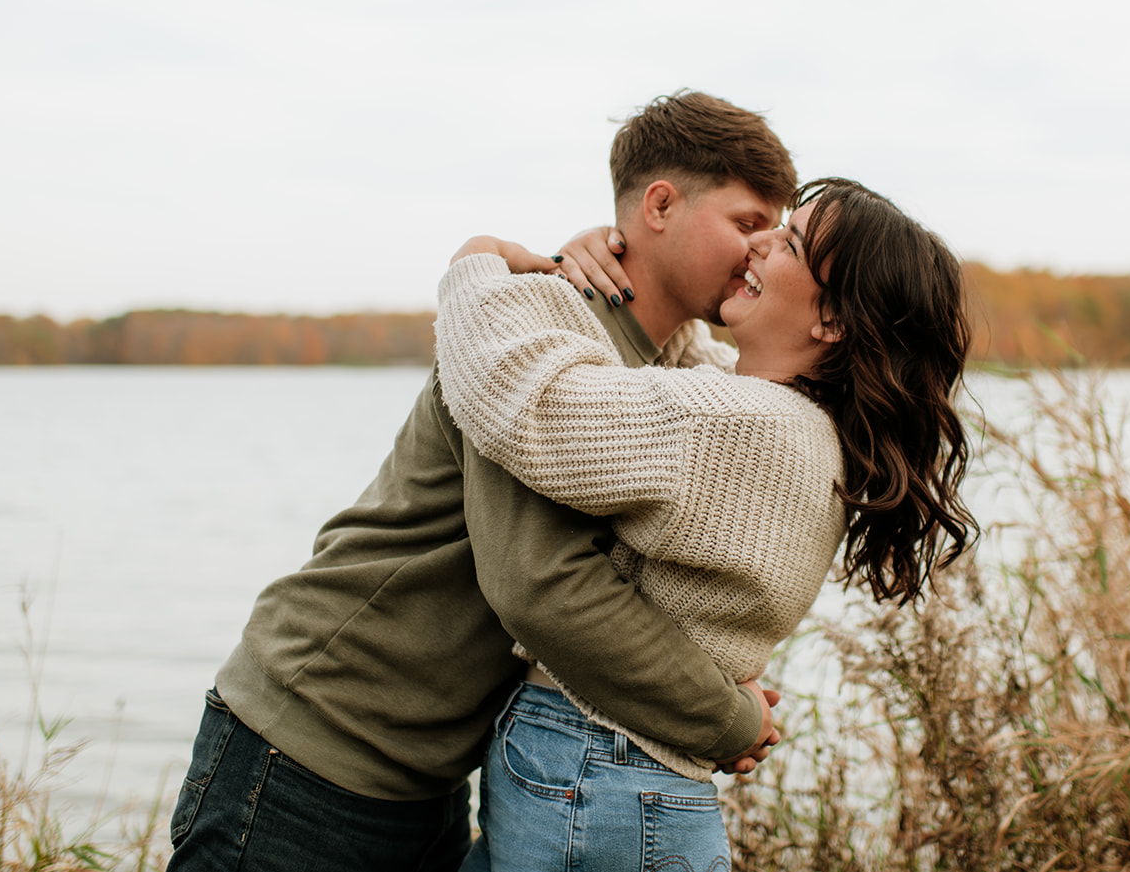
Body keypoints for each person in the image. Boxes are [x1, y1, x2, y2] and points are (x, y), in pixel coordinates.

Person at [164, 91, 800, 872]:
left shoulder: (672, 365)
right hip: (310, 743)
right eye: (747, 222)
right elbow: (539, 583)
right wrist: (723, 717)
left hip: (430, 777)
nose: (762, 249)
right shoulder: (535, 331)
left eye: (777, 231)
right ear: (660, 205)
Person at [435, 177, 977, 872]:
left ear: (832, 321)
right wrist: (616, 268)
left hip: (596, 767)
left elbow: (528, 402)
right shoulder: (807, 428)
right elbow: (687, 366)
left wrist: (474, 267)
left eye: (792, 242)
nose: (761, 239)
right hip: (629, 781)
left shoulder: (738, 427)